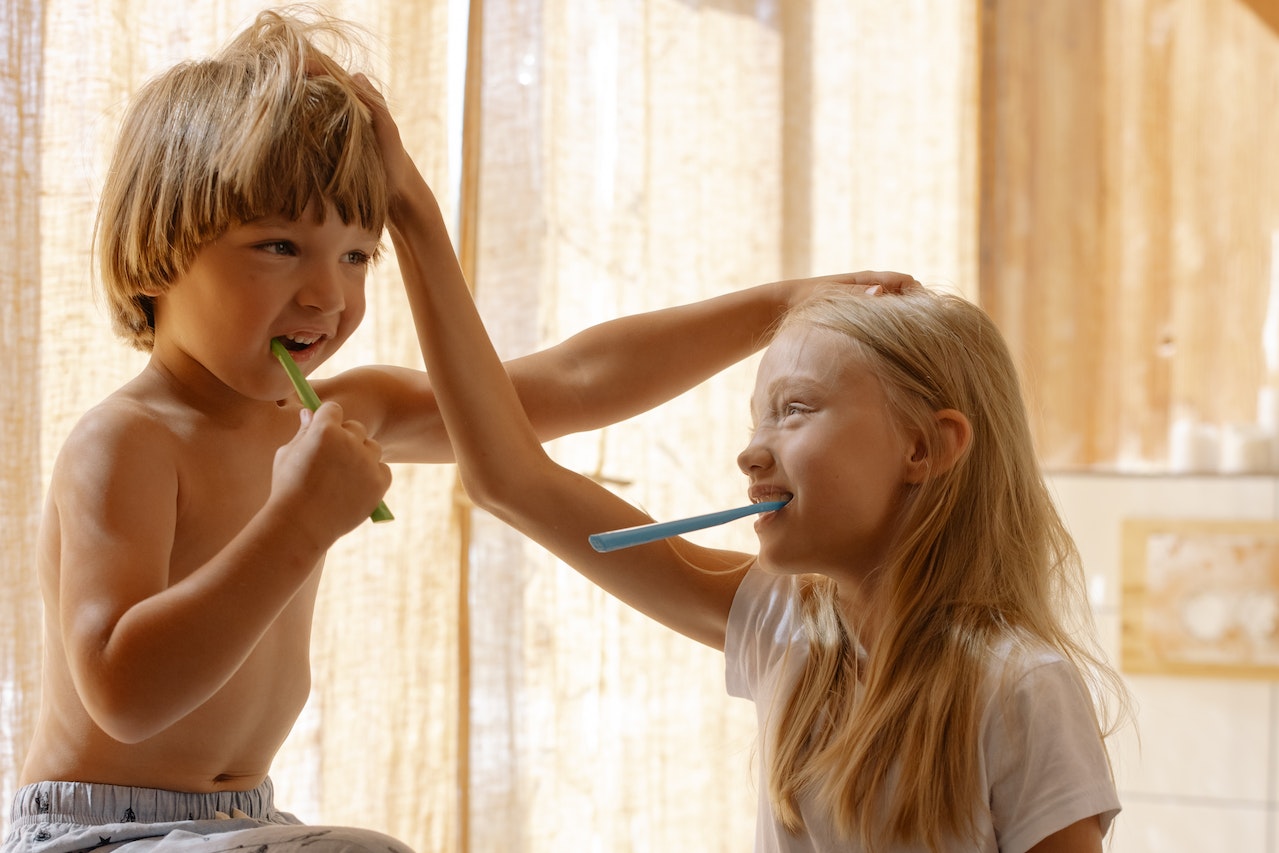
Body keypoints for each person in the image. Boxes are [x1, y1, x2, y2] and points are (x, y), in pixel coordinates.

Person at [4, 7, 908, 853]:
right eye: (280, 246)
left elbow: (568, 383)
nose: (329, 294)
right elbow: (124, 694)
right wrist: (298, 522)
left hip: (241, 820)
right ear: (162, 248)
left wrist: (779, 306)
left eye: (358, 253)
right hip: (102, 831)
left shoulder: (332, 411)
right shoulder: (128, 440)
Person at [384, 71, 1127, 853]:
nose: (749, 450)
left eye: (795, 408)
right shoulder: (786, 627)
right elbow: (508, 478)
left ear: (924, 447)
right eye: (756, 416)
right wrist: (414, 219)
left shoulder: (1021, 687)